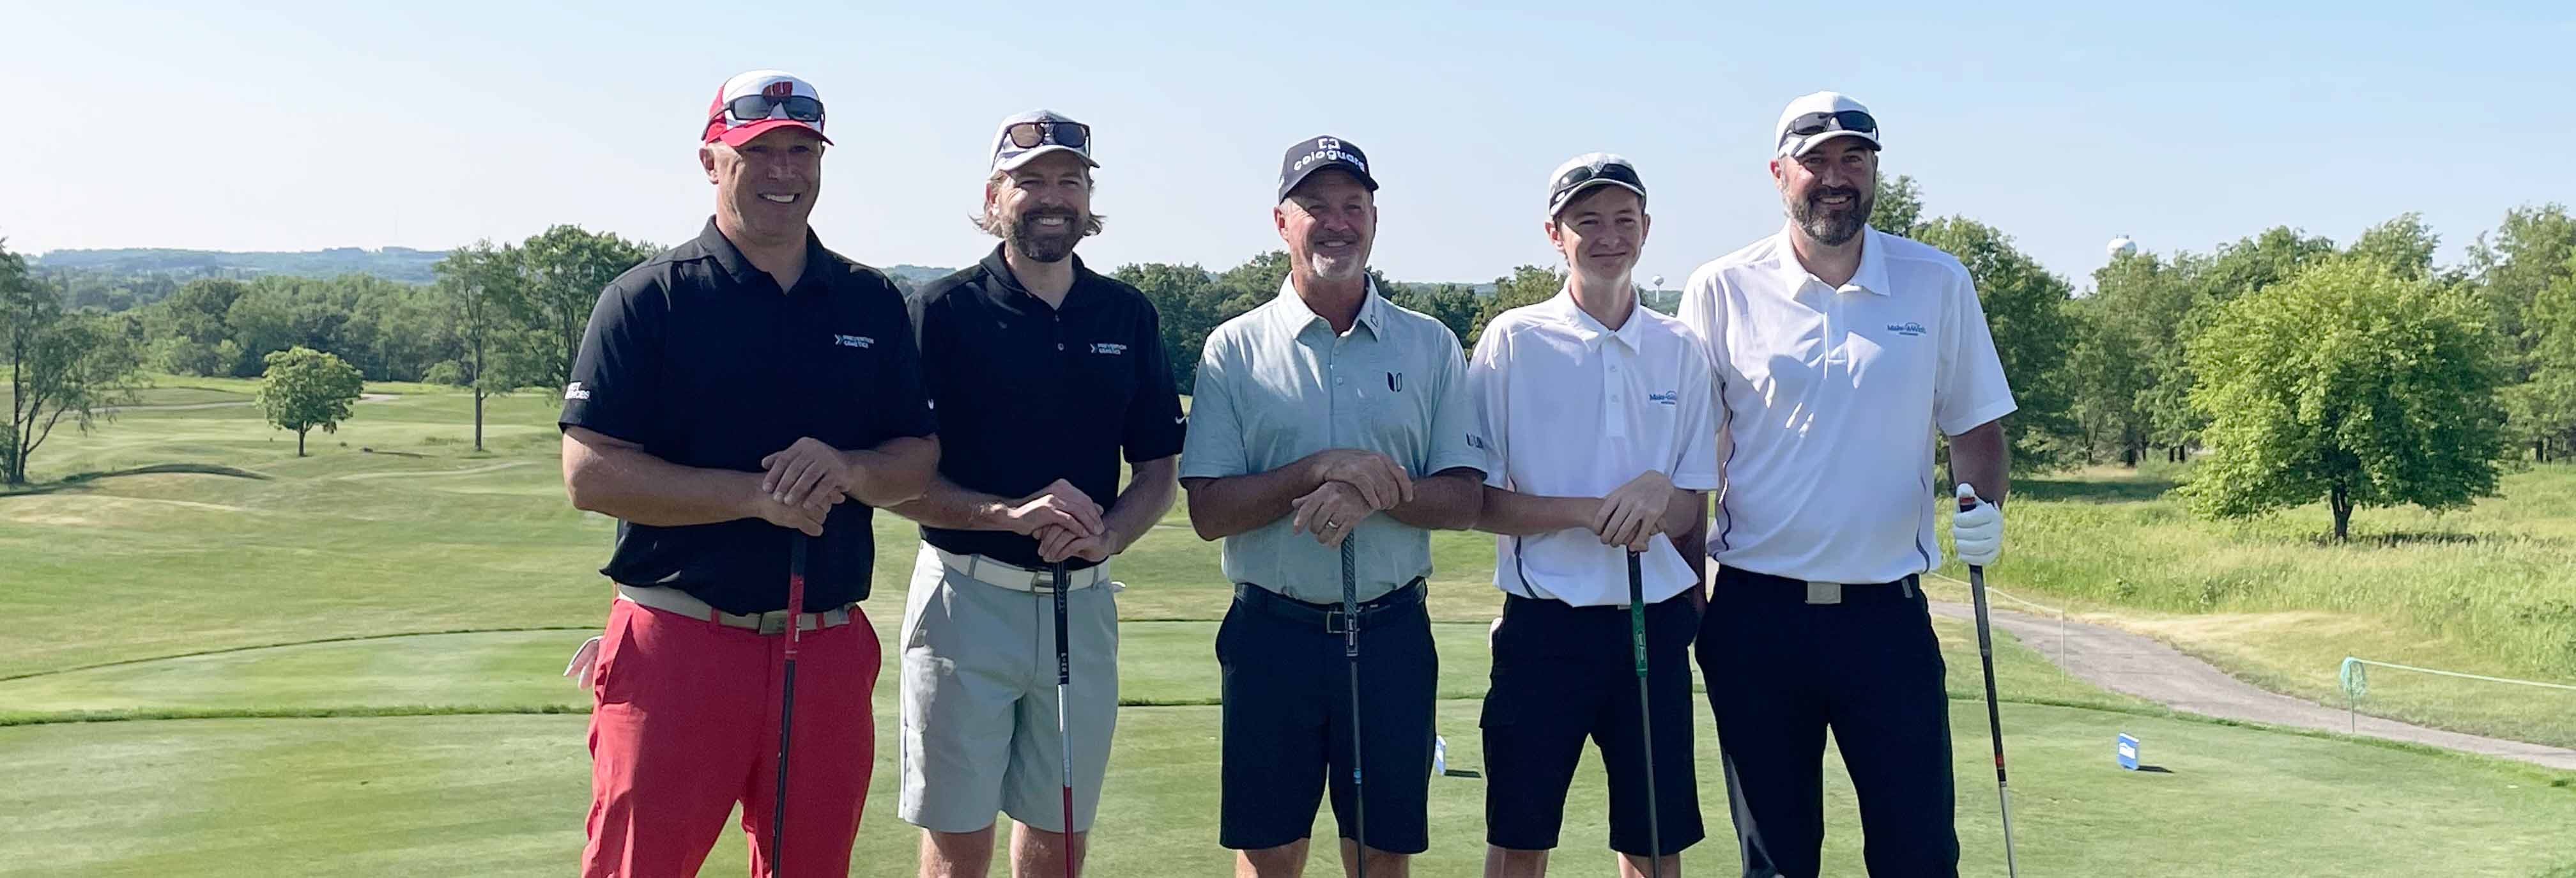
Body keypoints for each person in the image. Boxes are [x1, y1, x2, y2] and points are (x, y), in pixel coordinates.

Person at [557, 69, 937, 877]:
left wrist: (848, 468)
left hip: (829, 646)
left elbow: (917, 456)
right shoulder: (647, 299)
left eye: (801, 151)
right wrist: (757, 498)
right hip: (679, 643)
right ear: (711, 161)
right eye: (759, 152)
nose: (784, 172)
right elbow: (590, 473)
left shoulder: (871, 303)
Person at [1675, 91, 2015, 878]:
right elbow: (1693, 463)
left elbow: (1976, 432)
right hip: (1757, 615)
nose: (1836, 178)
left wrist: (1983, 508)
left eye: (1852, 160)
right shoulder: (1722, 288)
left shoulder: (1935, 281)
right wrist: (1692, 603)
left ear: (1873, 171)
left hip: (1886, 620)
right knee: (1778, 861)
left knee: (1920, 856)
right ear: (1778, 174)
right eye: (1816, 161)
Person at [1178, 135, 1486, 878]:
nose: (1337, 223)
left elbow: (1466, 498)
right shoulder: (1234, 349)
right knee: (1271, 852)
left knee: (1381, 854)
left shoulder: (1431, 345)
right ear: (1281, 222)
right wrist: (1317, 468)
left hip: (1391, 633)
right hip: (1270, 636)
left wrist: (1367, 487)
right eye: (1315, 207)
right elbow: (1210, 510)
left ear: (1375, 219)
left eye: (1353, 206)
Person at [889, 109, 1186, 878]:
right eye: (1030, 181)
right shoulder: (940, 313)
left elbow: (1158, 468)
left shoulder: (1127, 314)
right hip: (965, 599)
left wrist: (1110, 535)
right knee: (958, 842)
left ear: (1089, 202)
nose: (1052, 196)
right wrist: (1004, 515)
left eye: (1069, 181)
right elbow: (895, 478)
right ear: (995, 196)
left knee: (1059, 834)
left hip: (1081, 602)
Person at [1468, 153, 1715, 878]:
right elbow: (1477, 502)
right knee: (1519, 840)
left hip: (1654, 624)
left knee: (1654, 842)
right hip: (1544, 626)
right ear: (1555, 232)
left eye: (1623, 219)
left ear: (1646, 228)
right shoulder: (1513, 340)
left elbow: (1690, 506)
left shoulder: (1682, 348)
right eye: (1587, 221)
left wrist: (1658, 500)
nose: (1608, 236)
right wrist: (1590, 512)